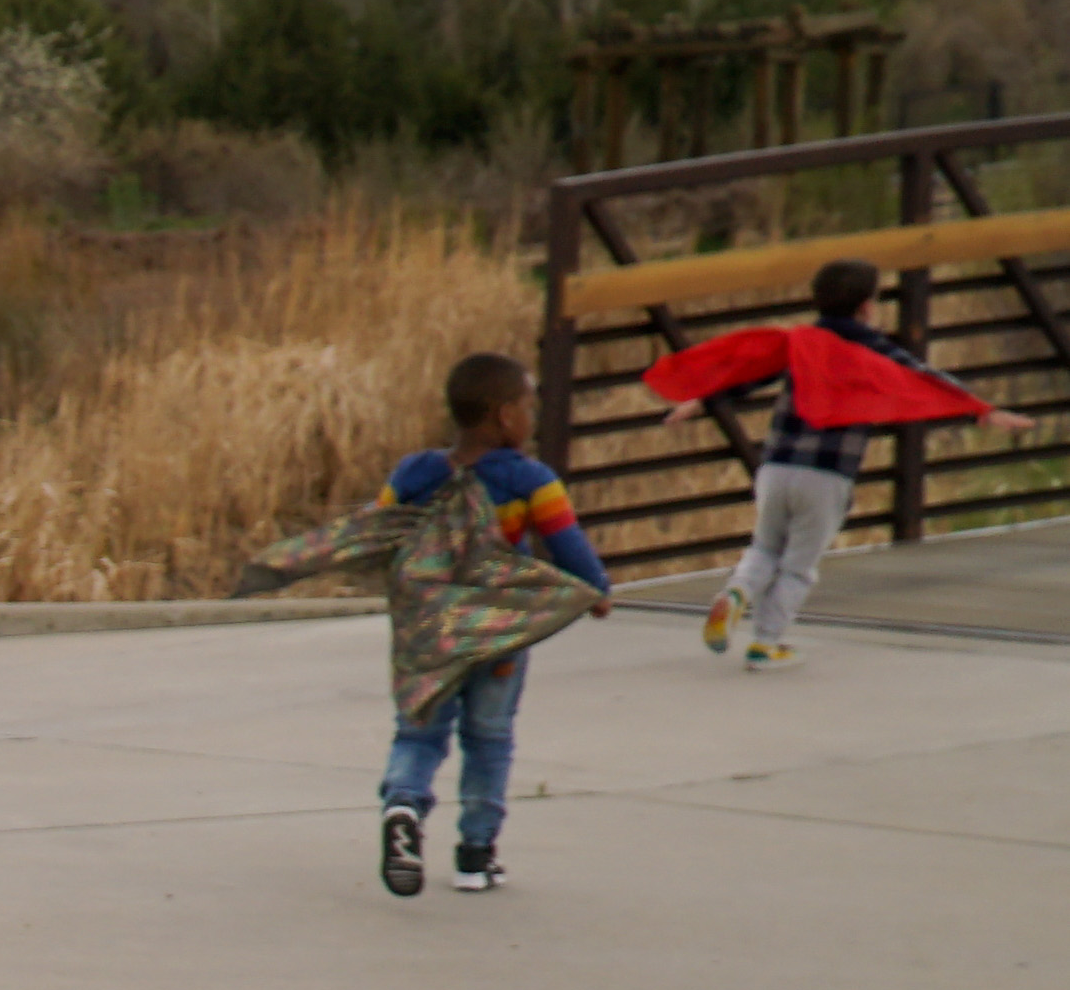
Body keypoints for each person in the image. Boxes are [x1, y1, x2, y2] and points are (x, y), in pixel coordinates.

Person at [661, 258, 1041, 669]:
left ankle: (736, 593)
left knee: (765, 546)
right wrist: (980, 410)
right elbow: (923, 379)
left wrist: (701, 400)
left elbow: (749, 372)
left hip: (776, 468)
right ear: (866, 306)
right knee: (798, 567)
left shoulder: (799, 342)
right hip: (826, 476)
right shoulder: (871, 349)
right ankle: (766, 644)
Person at [372, 352, 614, 899]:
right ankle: (476, 856)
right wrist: (596, 592)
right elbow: (567, 546)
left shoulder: (415, 473)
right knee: (489, 738)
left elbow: (379, 530)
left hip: (430, 634)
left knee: (418, 731)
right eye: (528, 406)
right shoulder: (530, 480)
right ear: (505, 415)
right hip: (497, 635)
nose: (531, 417)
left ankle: (404, 804)